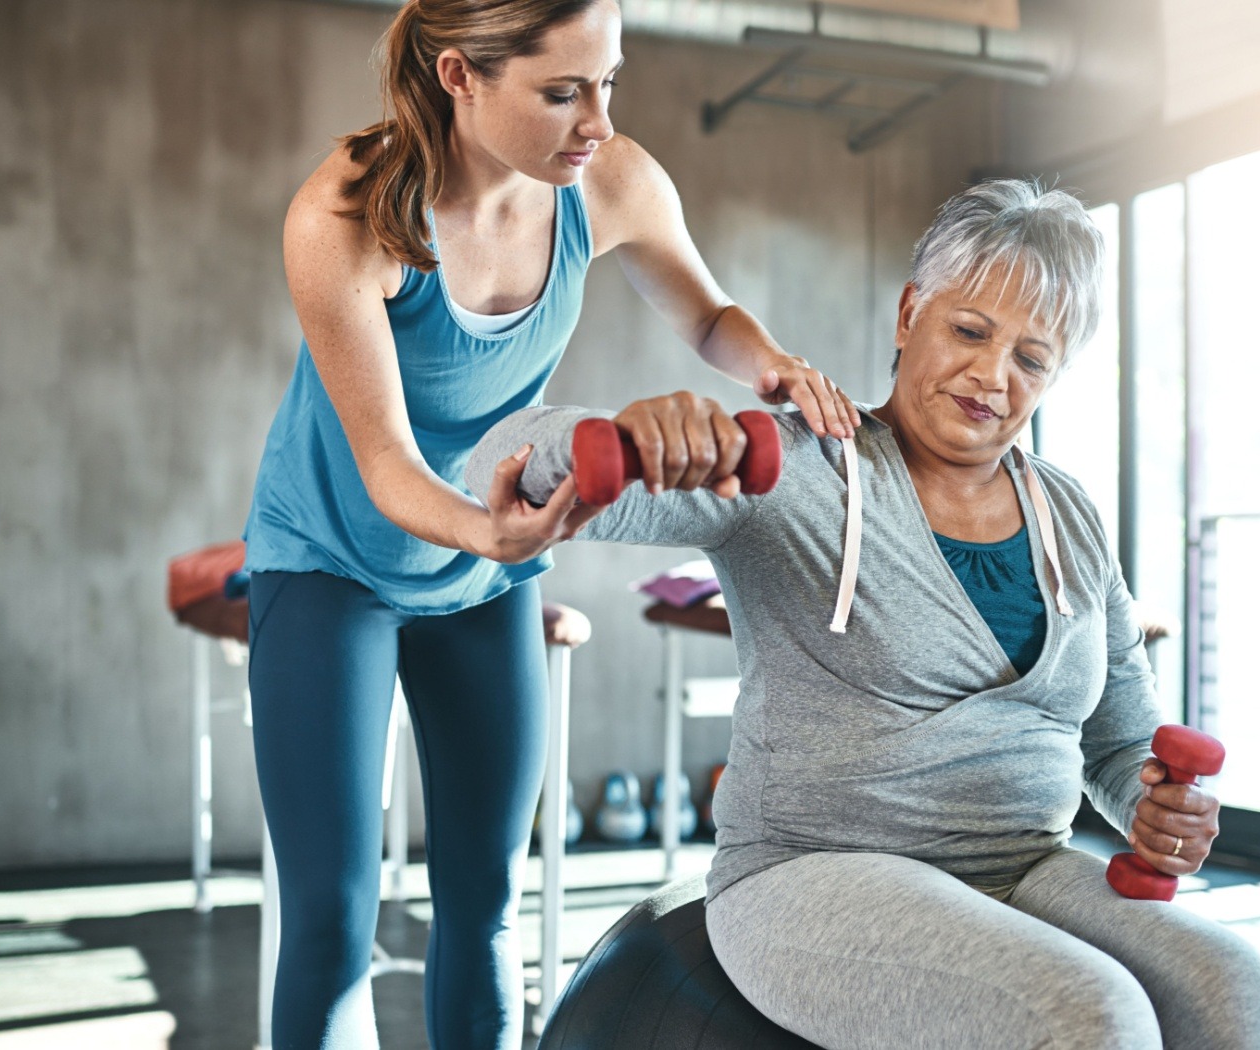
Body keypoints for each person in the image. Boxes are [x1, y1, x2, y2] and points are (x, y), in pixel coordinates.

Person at [467, 179, 1260, 1049]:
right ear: (911, 314)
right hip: (812, 873)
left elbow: (1123, 744)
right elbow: (504, 457)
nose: (992, 375)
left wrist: (1153, 806)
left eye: (1031, 356)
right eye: (970, 331)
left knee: (1234, 992)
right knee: (1093, 1017)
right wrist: (635, 438)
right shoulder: (801, 468)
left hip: (1023, 868)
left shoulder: (1072, 516)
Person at [241, 1, 859, 1046]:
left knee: (483, 903)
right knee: (333, 923)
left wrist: (771, 363)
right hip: (333, 565)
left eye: (608, 82)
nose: (598, 122)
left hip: (482, 576)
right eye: (563, 92)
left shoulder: (607, 182)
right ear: (459, 78)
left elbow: (704, 312)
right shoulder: (345, 214)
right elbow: (387, 462)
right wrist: (490, 536)